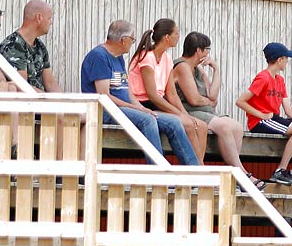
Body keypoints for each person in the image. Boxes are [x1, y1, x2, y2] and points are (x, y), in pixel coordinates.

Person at [81, 20, 201, 165]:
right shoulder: (99, 56)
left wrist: (141, 108)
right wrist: (134, 108)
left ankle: (194, 173)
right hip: (105, 110)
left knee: (174, 122)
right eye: (132, 39)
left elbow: (126, 90)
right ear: (123, 40)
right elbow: (104, 96)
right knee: (147, 119)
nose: (133, 43)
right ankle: (159, 172)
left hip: (124, 108)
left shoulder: (118, 57)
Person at [126, 18, 210, 164]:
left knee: (201, 126)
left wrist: (184, 113)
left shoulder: (167, 58)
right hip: (143, 104)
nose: (178, 37)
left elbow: (171, 93)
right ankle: (196, 170)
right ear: (167, 37)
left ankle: (199, 167)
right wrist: (178, 114)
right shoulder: (147, 58)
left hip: (158, 103)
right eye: (176, 33)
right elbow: (152, 95)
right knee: (188, 125)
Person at [237, 42, 292, 187]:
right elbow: (240, 101)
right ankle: (280, 170)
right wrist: (261, 115)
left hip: (273, 118)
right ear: (279, 60)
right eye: (286, 58)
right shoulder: (263, 78)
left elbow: (288, 109)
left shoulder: (280, 80)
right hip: (261, 120)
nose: (287, 62)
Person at [172, 32, 252, 181]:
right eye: (207, 49)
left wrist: (216, 69)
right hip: (189, 111)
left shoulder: (197, 69)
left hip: (205, 111)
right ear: (198, 50)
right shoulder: (182, 66)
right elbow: (194, 100)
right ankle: (241, 174)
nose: (208, 53)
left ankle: (234, 170)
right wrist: (209, 102)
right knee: (223, 126)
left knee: (237, 127)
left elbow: (213, 96)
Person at [0, 0, 62, 92]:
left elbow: (51, 84)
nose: (50, 22)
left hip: (40, 103)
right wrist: (47, 99)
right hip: (21, 104)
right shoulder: (13, 45)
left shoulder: (40, 46)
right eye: (49, 18)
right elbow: (22, 87)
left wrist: (64, 103)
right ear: (39, 18)